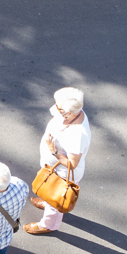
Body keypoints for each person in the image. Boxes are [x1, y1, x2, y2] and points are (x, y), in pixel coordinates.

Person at [26, 87, 90, 235]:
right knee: (50, 194)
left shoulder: (77, 135)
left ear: (69, 112)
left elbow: (72, 164)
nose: (55, 107)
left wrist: (53, 150)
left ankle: (49, 224)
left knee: (56, 198)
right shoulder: (72, 114)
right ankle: (49, 201)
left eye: (58, 106)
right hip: (53, 167)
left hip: (61, 174)